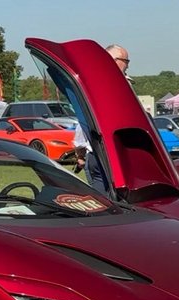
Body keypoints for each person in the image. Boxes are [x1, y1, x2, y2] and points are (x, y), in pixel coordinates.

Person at [74, 44, 129, 194]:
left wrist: (79, 151)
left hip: (113, 154)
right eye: (126, 61)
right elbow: (84, 119)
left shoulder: (100, 83)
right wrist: (80, 150)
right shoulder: (99, 85)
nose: (128, 65)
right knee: (104, 203)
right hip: (101, 155)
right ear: (114, 60)